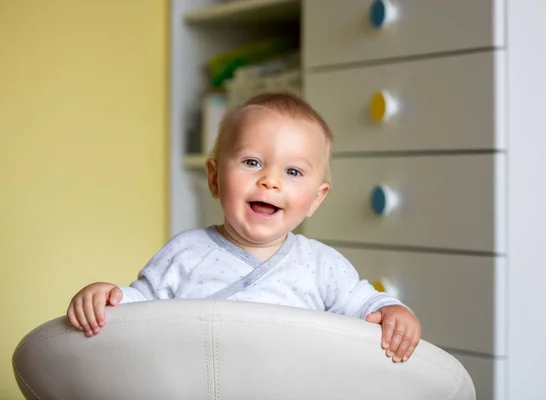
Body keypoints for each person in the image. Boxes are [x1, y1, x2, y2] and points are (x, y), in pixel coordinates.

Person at [67, 92, 422, 363]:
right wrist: (108, 298)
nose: (270, 181)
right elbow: (141, 308)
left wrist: (393, 312)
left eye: (293, 172)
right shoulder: (185, 253)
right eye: (252, 162)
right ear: (214, 177)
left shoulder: (322, 265)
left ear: (316, 197)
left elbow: (364, 304)